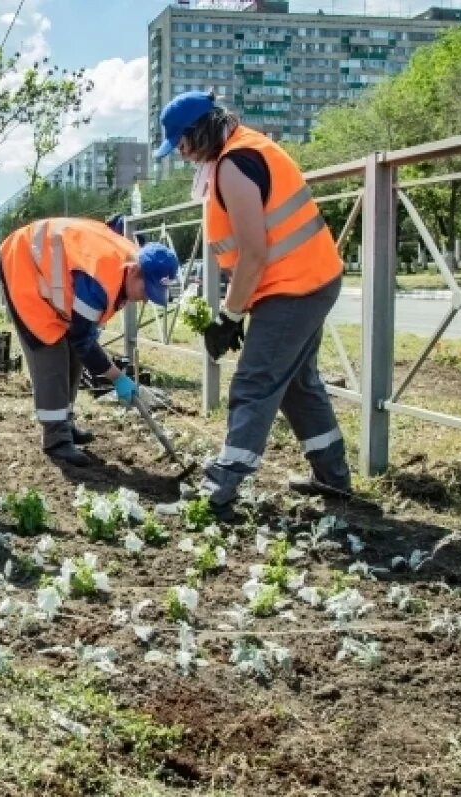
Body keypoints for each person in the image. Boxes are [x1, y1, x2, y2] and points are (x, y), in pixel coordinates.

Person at [154, 90, 352, 518]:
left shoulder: (234, 164)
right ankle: (332, 479)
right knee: (298, 386)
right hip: (306, 279)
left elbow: (255, 253)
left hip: (294, 286)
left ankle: (221, 484)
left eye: (182, 145)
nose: (182, 155)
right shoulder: (238, 150)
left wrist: (229, 316)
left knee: (254, 382)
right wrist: (239, 306)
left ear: (200, 131)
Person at [0, 216, 180, 466]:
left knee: (73, 355)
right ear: (135, 271)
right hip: (24, 265)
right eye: (146, 290)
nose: (146, 299)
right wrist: (117, 377)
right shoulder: (99, 283)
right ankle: (56, 440)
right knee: (51, 352)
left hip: (46, 271)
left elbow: (115, 222)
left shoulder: (128, 262)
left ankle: (65, 424)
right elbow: (81, 339)